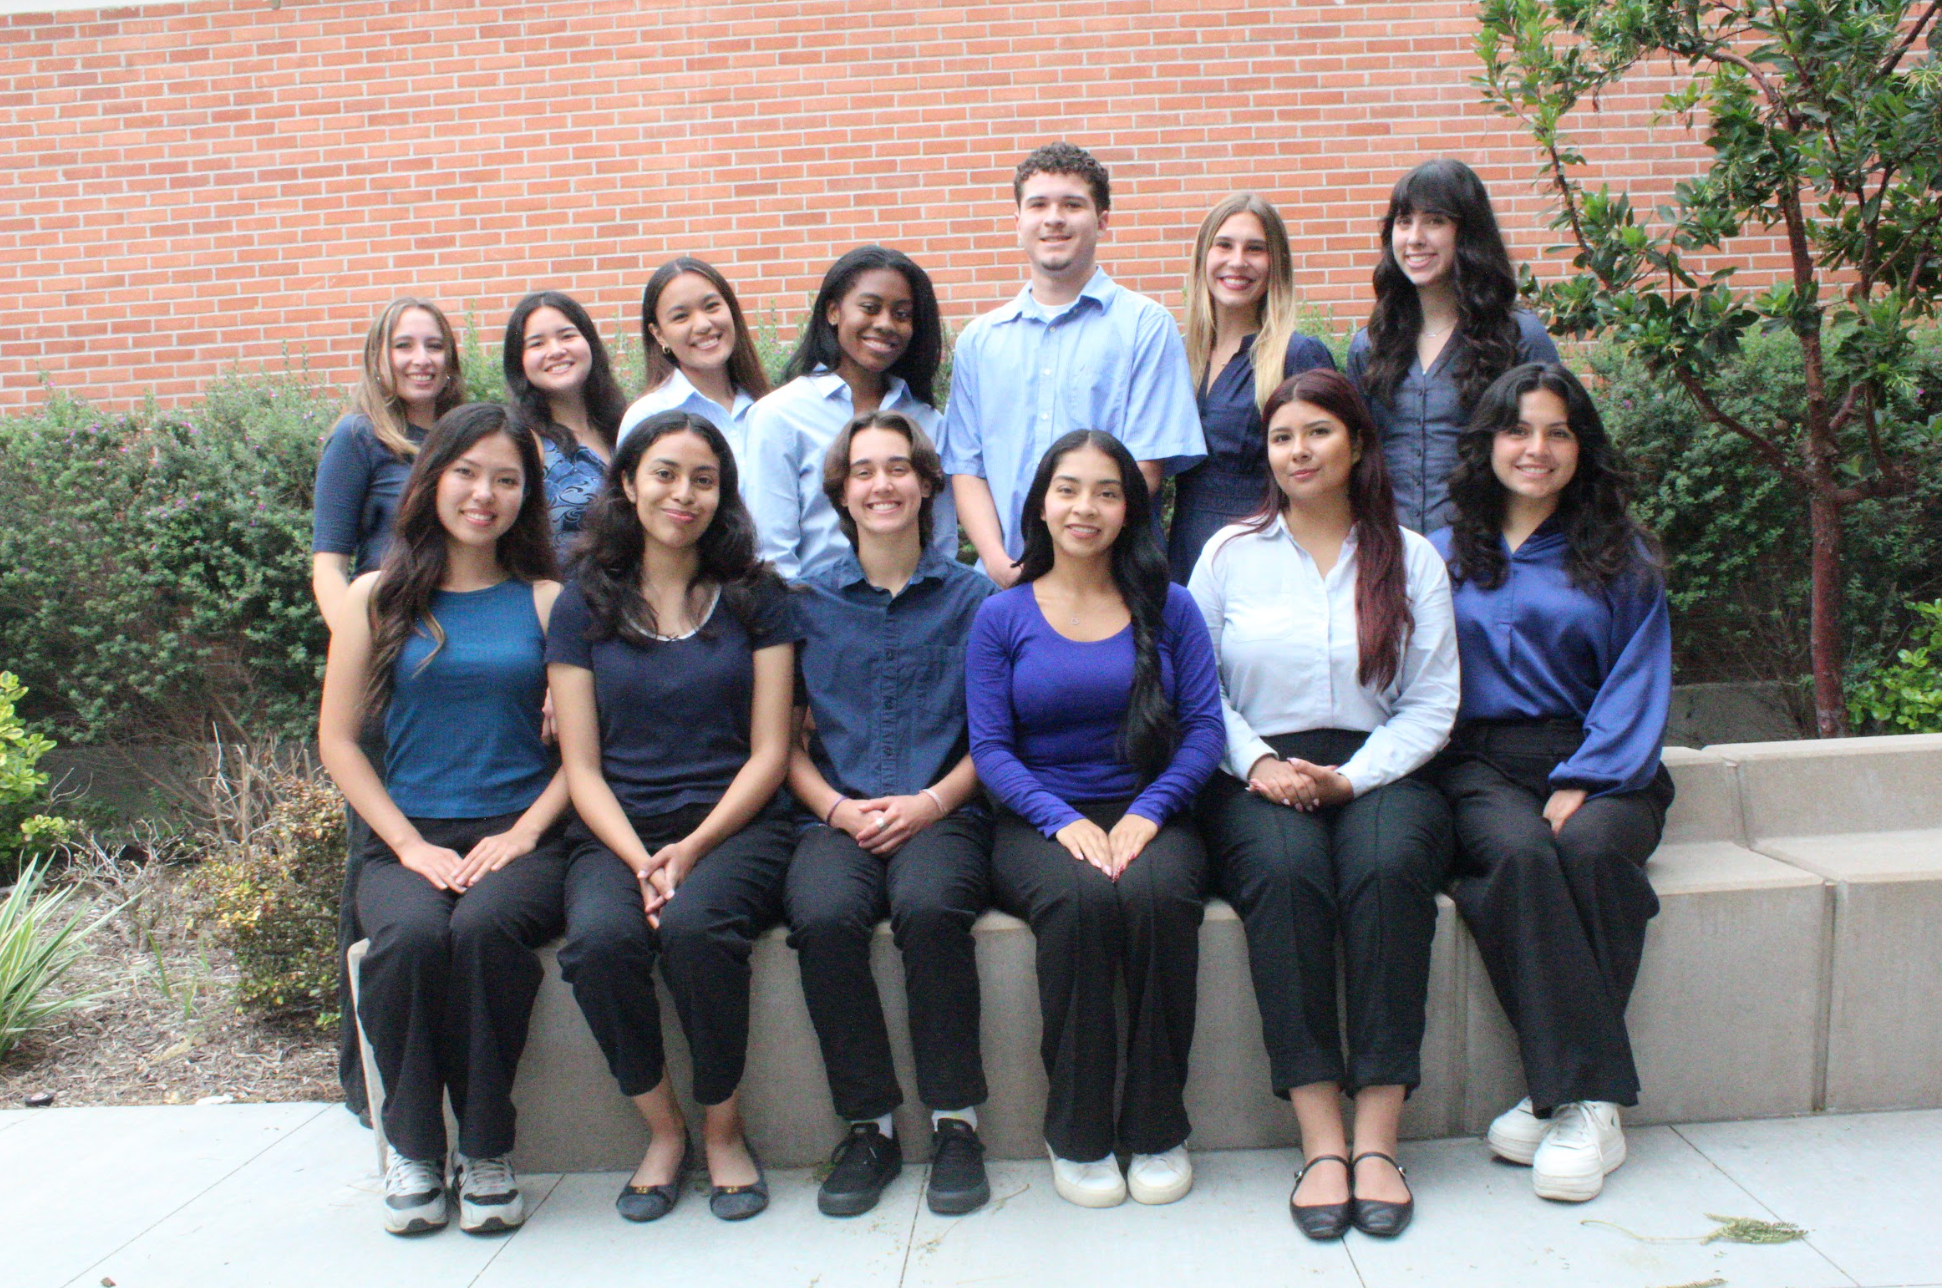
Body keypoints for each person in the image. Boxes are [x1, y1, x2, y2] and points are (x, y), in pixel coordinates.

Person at [1187, 368, 1459, 1240]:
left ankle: (1377, 1139)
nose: (1298, 451)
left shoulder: (1410, 557)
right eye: (1282, 437)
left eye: (1318, 433)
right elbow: (1198, 689)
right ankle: (1321, 1140)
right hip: (1255, 770)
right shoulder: (1230, 552)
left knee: (1386, 869)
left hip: (1380, 766)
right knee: (1285, 872)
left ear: (1358, 444)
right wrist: (1260, 763)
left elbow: (1432, 702)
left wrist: (1353, 779)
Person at [316, 402, 567, 1236]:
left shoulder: (546, 600)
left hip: (521, 832)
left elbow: (584, 757)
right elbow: (340, 741)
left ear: (526, 495)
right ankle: (418, 1150)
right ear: (432, 482)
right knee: (410, 941)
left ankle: (488, 1148)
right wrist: (408, 844)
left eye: (506, 479)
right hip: (410, 836)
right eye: (467, 473)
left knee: (487, 931)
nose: (484, 494)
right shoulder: (374, 596)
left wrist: (525, 831)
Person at [546, 410, 800, 1223]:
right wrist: (640, 857)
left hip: (735, 824)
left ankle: (722, 1130)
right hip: (617, 828)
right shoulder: (582, 602)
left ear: (722, 493)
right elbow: (579, 765)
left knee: (696, 933)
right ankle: (662, 1130)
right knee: (598, 944)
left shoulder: (757, 597)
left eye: (702, 478)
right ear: (626, 482)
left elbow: (769, 752)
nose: (681, 493)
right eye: (663, 473)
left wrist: (690, 848)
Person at [1430, 361, 1673, 1203]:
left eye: (1557, 431)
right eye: (1518, 430)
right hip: (1478, 763)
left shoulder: (1621, 555)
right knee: (1522, 857)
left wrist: (1589, 775)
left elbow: (1640, 680)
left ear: (1581, 447)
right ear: (1488, 443)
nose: (1536, 449)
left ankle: (1571, 1100)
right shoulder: (1439, 553)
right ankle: (1586, 1098)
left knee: (1598, 851)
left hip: (1606, 755)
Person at [965, 430, 1224, 1209]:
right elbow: (990, 747)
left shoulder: (1170, 606)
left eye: (1107, 491)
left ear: (1130, 508)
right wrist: (1057, 820)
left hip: (1151, 807)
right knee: (1079, 906)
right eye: (1069, 488)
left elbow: (1206, 728)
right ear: (1041, 504)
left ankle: (1156, 1127)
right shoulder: (1001, 615)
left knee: (1155, 900)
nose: (1086, 506)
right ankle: (1076, 1135)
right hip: (1035, 816)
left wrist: (1149, 811)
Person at [785, 411, 996, 1218]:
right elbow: (780, 742)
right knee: (824, 912)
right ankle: (868, 1126)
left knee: (931, 906)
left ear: (928, 486)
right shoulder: (804, 603)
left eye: (899, 468)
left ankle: (955, 1122)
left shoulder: (975, 600)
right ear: (842, 491)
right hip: (832, 815)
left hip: (943, 813)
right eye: (864, 470)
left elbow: (995, 738)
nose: (883, 484)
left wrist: (930, 801)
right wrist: (837, 810)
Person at [311, 295, 466, 1120]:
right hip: (384, 671)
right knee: (372, 874)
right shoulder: (356, 438)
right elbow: (327, 564)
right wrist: (366, 652)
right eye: (404, 346)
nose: (420, 359)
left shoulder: (462, 439)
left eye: (434, 345)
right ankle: (364, 1084)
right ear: (380, 356)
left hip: (462, 670)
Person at [942, 142, 1205, 584]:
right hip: (1004, 585)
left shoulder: (1146, 327)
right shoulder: (979, 341)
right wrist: (998, 564)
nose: (1054, 218)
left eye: (1072, 204)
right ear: (1018, 222)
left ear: (1102, 220)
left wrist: (1068, 573)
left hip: (1111, 584)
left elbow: (1144, 469)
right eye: (1038, 204)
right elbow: (967, 468)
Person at [1346, 158, 1561, 533]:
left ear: (1468, 233)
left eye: (1434, 221)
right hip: (1394, 559)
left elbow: (1558, 451)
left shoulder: (1519, 337)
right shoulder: (1369, 345)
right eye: (1403, 221)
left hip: (1488, 559)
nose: (1414, 237)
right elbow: (1354, 460)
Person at [744, 246, 957, 580]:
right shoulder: (779, 416)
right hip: (816, 620)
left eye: (902, 314)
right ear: (833, 312)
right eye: (870, 308)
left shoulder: (929, 422)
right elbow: (771, 552)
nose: (886, 324)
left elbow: (941, 543)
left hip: (916, 617)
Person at [1172, 192, 1336, 581]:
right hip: (1184, 563)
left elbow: (1332, 481)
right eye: (1224, 245)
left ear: (1275, 264)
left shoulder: (1296, 357)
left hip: (1266, 567)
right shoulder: (1179, 358)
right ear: (1203, 258)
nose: (1238, 261)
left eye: (1255, 249)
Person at [501, 290, 629, 559]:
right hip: (566, 597)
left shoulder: (627, 427)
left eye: (567, 336)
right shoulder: (521, 441)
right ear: (519, 361)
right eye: (537, 344)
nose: (556, 351)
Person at [618, 257, 771, 462]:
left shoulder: (767, 406)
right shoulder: (647, 416)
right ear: (659, 334)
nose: (703, 324)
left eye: (711, 306)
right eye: (681, 316)